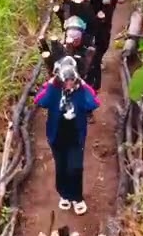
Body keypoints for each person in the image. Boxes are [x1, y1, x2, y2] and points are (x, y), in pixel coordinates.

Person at [35, 57, 99, 214]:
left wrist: (83, 85)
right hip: (57, 136)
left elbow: (93, 102)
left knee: (75, 167)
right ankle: (64, 195)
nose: (69, 83)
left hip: (76, 136)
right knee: (61, 167)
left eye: (72, 79)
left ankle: (77, 197)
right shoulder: (54, 90)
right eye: (66, 80)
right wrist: (51, 84)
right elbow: (40, 101)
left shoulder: (81, 91)